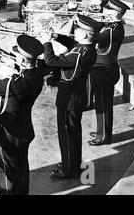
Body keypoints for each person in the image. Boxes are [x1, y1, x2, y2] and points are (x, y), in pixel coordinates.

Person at [0, 35, 47, 195]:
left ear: (21, 58)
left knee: (7, 174)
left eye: (16, 54)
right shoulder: (38, 73)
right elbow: (39, 64)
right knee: (21, 167)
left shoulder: (13, 83)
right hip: (25, 130)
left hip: (9, 135)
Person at [40, 15, 102, 179]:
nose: (76, 32)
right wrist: (56, 37)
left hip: (69, 99)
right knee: (73, 133)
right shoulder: (87, 49)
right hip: (76, 96)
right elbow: (72, 44)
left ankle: (68, 170)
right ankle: (72, 164)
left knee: (66, 134)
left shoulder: (79, 54)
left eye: (78, 30)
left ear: (84, 35)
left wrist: (47, 42)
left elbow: (51, 60)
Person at [88, 0, 129, 146]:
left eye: (108, 10)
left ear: (116, 14)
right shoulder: (111, 26)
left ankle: (104, 136)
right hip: (103, 70)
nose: (105, 11)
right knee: (100, 103)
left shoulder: (112, 31)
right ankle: (101, 130)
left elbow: (91, 36)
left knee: (103, 105)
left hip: (105, 72)